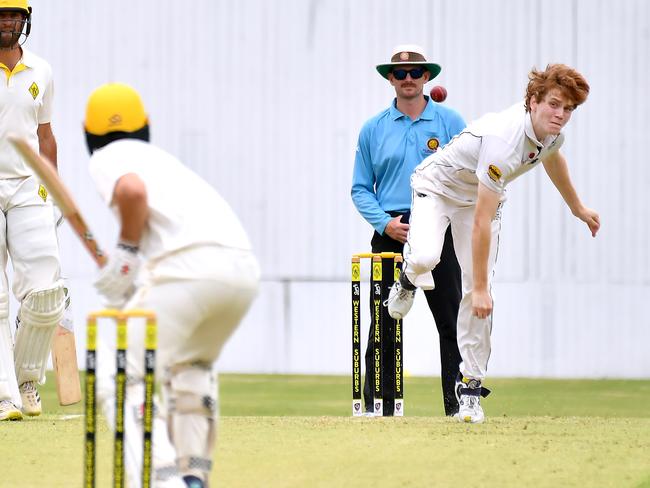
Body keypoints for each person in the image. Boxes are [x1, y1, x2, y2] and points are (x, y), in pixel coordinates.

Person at [386, 63, 600, 423]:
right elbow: (482, 223)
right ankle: (408, 278)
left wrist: (578, 207)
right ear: (532, 101)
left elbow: (552, 157)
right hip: (437, 187)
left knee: (478, 296)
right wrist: (481, 287)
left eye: (568, 109)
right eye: (553, 104)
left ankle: (469, 389)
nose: (560, 115)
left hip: (480, 198)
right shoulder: (505, 141)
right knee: (427, 257)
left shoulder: (550, 133)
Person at [84, 82, 260, 488]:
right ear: (145, 124)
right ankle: (192, 474)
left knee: (117, 376)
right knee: (190, 368)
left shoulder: (109, 156)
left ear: (87, 131)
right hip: (240, 272)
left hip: (189, 272)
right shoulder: (163, 160)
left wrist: (125, 254)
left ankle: (165, 481)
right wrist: (136, 271)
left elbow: (132, 191)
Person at [351, 44, 466, 416]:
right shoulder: (373, 129)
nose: (408, 79)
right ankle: (376, 407)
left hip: (439, 230)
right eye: (400, 74)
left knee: (451, 320)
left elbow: (468, 175)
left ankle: (458, 405)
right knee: (383, 321)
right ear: (390, 79)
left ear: (427, 77)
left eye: (415, 73)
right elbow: (359, 187)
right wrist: (386, 223)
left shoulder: (450, 122)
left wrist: (440, 217)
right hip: (390, 232)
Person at [0, 0, 68, 421]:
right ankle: (2, 394)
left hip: (28, 188)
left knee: (44, 296)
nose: (8, 22)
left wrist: (56, 193)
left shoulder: (40, 71)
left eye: (14, 16)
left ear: (25, 21)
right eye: (1, 16)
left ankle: (26, 377)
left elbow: (46, 137)